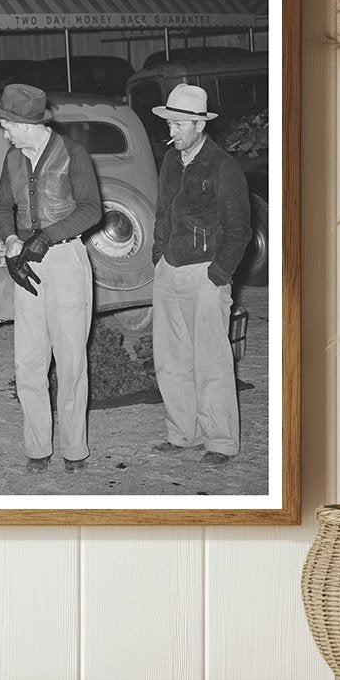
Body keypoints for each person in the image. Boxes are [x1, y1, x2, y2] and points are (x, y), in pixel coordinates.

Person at [0, 84, 103, 474]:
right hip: (28, 262)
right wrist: (11, 242)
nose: (5, 133)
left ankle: (75, 449)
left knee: (71, 360)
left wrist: (47, 237)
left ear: (26, 124)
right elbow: (2, 206)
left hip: (66, 261)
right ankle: (38, 447)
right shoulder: (12, 159)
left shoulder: (73, 154)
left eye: (8, 125)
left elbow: (91, 210)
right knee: (29, 361)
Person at [150, 83, 252, 464]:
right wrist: (159, 256)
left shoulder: (223, 166)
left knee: (211, 361)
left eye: (177, 124)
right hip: (169, 271)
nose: (171, 131)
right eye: (170, 123)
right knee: (170, 359)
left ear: (198, 124)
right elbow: (162, 213)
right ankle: (183, 433)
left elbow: (238, 228)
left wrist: (219, 273)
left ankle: (221, 441)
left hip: (205, 276)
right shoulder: (170, 161)